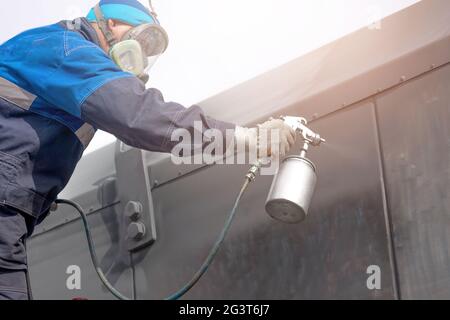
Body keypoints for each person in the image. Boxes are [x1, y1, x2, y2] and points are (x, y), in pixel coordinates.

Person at [0, 0, 295, 300]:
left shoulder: (53, 50)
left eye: (149, 51)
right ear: (111, 24)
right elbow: (138, 115)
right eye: (140, 39)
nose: (141, 54)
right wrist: (245, 138)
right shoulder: (69, 52)